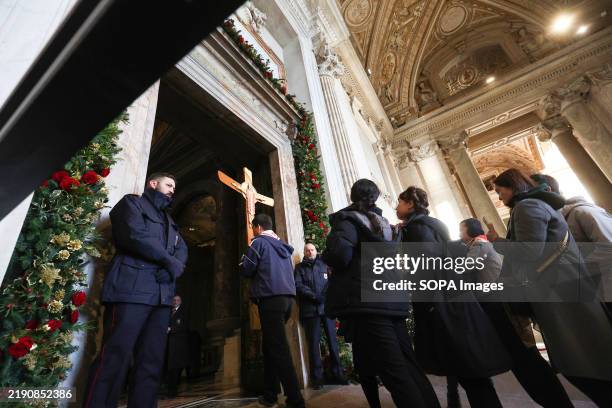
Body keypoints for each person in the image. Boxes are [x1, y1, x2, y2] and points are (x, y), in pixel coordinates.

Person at [487, 168, 612, 407]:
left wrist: (497, 242)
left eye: (499, 190)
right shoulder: (533, 206)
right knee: (587, 359)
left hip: (559, 293)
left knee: (583, 362)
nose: (499, 196)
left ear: (512, 186)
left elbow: (529, 252)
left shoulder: (527, 207)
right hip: (563, 289)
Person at [323, 179, 440, 408]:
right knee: (408, 365)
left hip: (368, 302)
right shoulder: (384, 223)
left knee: (394, 372)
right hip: (392, 300)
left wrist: (324, 255)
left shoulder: (349, 220)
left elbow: (340, 256)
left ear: (352, 194)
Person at [396, 186, 510, 408]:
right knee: (466, 364)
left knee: (467, 367)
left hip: (441, 303)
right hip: (451, 298)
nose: (396, 207)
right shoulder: (429, 225)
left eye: (400, 202)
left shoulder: (417, 229)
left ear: (410, 204)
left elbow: (427, 264)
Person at [83, 173, 188, 408]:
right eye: (169, 184)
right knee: (114, 358)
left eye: (174, 186)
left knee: (151, 363)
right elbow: (134, 235)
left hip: (161, 296)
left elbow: (182, 248)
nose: (172, 189)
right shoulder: (132, 204)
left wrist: (173, 267)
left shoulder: (171, 221)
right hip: (131, 290)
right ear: (153, 183)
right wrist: (167, 262)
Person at [464, 215, 575, 408]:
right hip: (503, 303)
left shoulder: (479, 246)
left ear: (469, 231)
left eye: (461, 229)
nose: (459, 234)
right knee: (524, 357)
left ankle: (556, 403)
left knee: (523, 359)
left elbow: (463, 270)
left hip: (499, 306)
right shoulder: (483, 244)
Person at [240, 213, 305, 408]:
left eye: (253, 229)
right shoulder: (284, 247)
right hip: (287, 300)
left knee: (279, 349)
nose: (253, 231)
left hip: (270, 299)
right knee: (270, 347)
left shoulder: (258, 243)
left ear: (258, 227)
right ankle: (270, 394)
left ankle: (295, 399)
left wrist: (243, 262)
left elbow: (246, 270)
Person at [294, 243, 346, 389]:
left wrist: (323, 296)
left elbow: (331, 281)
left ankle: (338, 374)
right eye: (307, 250)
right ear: (304, 252)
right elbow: (298, 286)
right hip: (311, 311)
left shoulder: (324, 264)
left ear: (316, 251)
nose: (310, 252)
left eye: (312, 250)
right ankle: (317, 379)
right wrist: (314, 296)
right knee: (313, 345)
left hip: (327, 309)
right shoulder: (299, 268)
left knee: (333, 343)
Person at [165, 295, 190, 398]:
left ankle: (172, 391)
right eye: (174, 300)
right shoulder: (169, 312)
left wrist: (171, 330)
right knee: (170, 369)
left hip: (178, 344)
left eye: (177, 300)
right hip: (169, 344)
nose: (175, 301)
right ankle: (170, 391)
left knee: (175, 368)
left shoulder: (183, 312)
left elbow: (184, 327)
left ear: (180, 301)